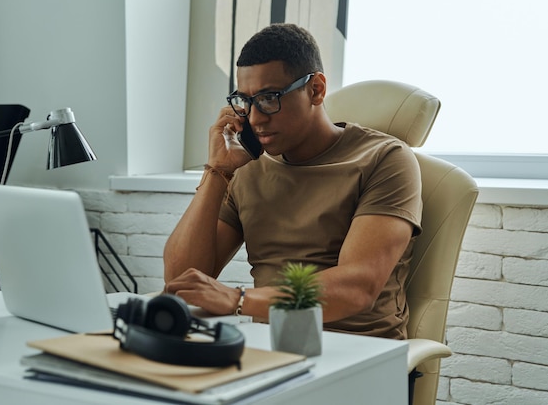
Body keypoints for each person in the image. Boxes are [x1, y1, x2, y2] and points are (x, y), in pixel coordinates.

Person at [163, 23, 422, 340]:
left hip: (358, 352)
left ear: (316, 89)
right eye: (246, 101)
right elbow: (181, 281)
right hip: (269, 346)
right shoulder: (247, 168)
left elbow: (358, 285)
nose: (256, 118)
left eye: (270, 98)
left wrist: (239, 300)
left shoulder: (385, 159)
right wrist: (217, 171)